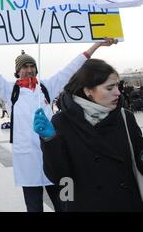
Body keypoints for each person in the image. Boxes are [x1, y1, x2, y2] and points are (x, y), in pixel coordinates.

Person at [0, 32, 118, 212]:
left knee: (66, 204)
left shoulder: (47, 87)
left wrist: (96, 46)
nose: (29, 69)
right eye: (25, 66)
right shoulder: (10, 91)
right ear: (17, 71)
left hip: (56, 158)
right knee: (34, 208)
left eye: (32, 65)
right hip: (28, 160)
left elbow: (71, 69)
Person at [34, 59, 143, 211]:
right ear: (88, 91)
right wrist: (49, 140)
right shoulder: (62, 122)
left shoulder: (126, 118)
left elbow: (140, 160)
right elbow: (61, 177)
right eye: (110, 88)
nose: (118, 92)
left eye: (117, 86)